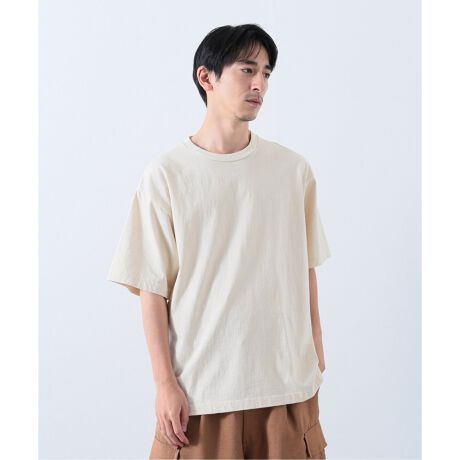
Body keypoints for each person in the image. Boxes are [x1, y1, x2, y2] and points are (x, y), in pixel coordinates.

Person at [107, 23, 331, 459]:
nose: (259, 84)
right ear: (206, 77)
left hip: (288, 387)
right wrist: (164, 383)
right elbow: (151, 288)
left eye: (266, 73)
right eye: (247, 70)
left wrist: (316, 346)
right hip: (202, 392)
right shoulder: (167, 175)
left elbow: (305, 265)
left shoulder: (292, 171)